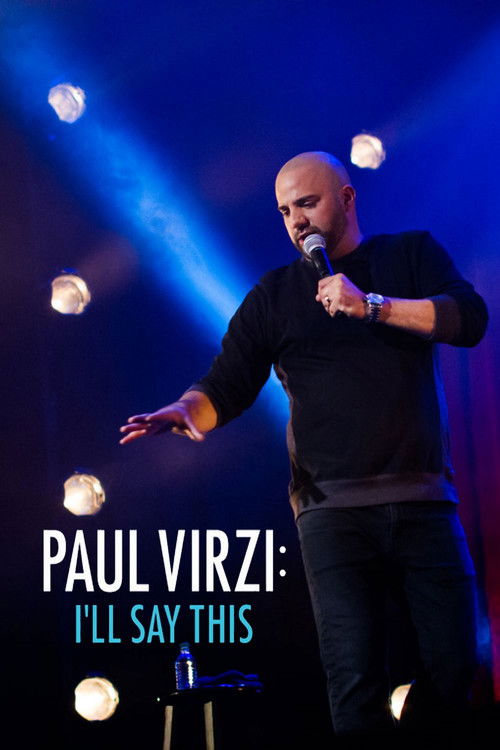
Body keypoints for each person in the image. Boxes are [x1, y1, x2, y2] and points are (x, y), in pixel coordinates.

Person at [120, 152, 488, 743]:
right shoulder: (274, 295)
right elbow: (226, 383)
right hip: (331, 513)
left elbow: (468, 319)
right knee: (354, 681)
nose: (296, 221)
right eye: (285, 211)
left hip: (422, 501)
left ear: (346, 198)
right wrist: (187, 409)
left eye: (307, 203)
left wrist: (372, 305)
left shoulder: (410, 255)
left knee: (457, 668)